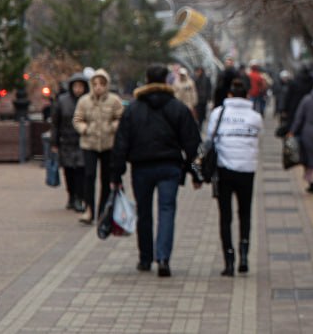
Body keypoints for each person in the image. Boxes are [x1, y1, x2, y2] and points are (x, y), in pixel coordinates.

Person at [111, 64, 201, 277]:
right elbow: (192, 144)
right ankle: (163, 258)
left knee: (144, 213)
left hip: (141, 168)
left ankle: (145, 258)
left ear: (147, 79)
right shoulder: (178, 107)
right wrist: (195, 172)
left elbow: (121, 143)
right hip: (170, 167)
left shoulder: (133, 109)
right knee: (167, 210)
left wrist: (116, 174)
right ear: (167, 80)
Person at [205, 75, 262, 275]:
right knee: (245, 213)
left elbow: (209, 138)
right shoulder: (255, 116)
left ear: (229, 94)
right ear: (247, 94)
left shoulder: (218, 113)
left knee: (225, 216)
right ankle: (244, 255)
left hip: (224, 169)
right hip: (247, 169)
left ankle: (228, 260)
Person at [73, 68, 124, 224]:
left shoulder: (114, 101)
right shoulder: (84, 101)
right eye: (95, 84)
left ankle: (103, 210)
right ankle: (89, 209)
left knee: (106, 177)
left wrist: (113, 127)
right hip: (89, 144)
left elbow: (121, 118)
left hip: (108, 144)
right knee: (89, 176)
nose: (98, 87)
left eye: (101, 84)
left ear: (106, 85)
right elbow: (77, 119)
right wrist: (84, 129)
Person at [51, 72, 89, 213]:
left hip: (82, 141)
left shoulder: (88, 101)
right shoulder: (62, 101)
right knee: (69, 172)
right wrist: (54, 142)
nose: (78, 89)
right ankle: (71, 196)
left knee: (81, 170)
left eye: (81, 86)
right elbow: (55, 123)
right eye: (76, 86)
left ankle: (80, 197)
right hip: (66, 141)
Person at [280, 63, 313, 133]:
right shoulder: (312, 82)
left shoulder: (294, 82)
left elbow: (288, 97)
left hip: (294, 108)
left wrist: (284, 109)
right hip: (309, 108)